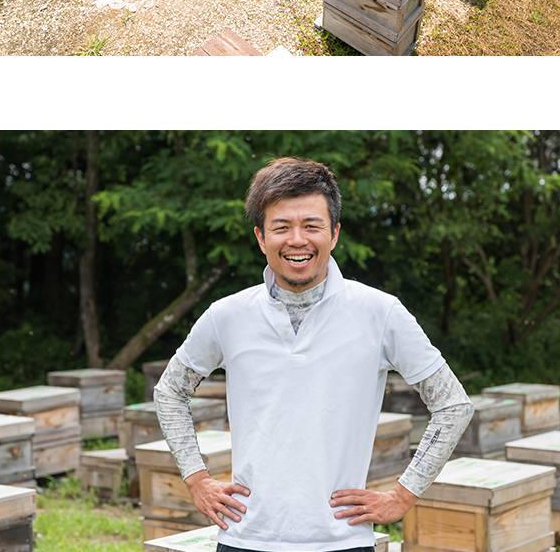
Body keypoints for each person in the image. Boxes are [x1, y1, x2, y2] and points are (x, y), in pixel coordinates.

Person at [154, 156, 474, 550]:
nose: (297, 240)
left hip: (340, 540)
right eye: (281, 227)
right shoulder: (227, 316)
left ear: (334, 233)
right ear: (260, 237)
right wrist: (196, 478)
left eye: (312, 225)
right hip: (246, 538)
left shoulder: (380, 312)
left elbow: (453, 404)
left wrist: (403, 494)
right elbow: (169, 392)